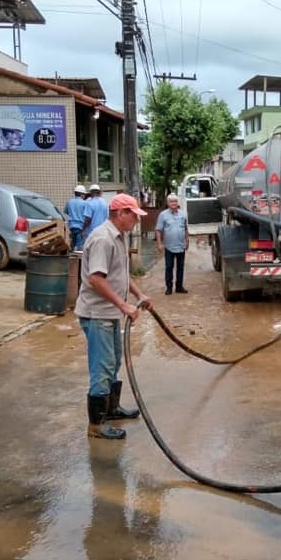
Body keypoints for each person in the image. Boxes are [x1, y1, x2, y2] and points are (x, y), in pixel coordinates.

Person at [75, 193, 153, 440]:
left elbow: (119, 274)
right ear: (121, 214)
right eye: (134, 215)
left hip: (109, 313)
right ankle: (96, 426)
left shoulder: (118, 238)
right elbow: (96, 279)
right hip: (97, 313)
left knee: (114, 361)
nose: (137, 221)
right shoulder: (102, 239)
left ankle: (111, 409)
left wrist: (139, 294)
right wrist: (123, 305)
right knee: (102, 367)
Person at [155, 194, 189, 295]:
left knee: (181, 267)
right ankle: (169, 287)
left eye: (175, 201)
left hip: (181, 245)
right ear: (168, 203)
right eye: (171, 201)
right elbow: (158, 230)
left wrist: (187, 240)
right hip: (169, 246)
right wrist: (159, 243)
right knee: (169, 267)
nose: (173, 203)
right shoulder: (163, 215)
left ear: (177, 203)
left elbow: (186, 229)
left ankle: (179, 287)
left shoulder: (183, 214)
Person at [65, 185, 88, 250]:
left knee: (73, 243)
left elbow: (66, 211)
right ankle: (78, 258)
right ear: (81, 194)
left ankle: (71, 255)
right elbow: (87, 215)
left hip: (71, 226)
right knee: (80, 246)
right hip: (80, 227)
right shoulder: (85, 203)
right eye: (84, 194)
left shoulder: (69, 202)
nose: (84, 196)